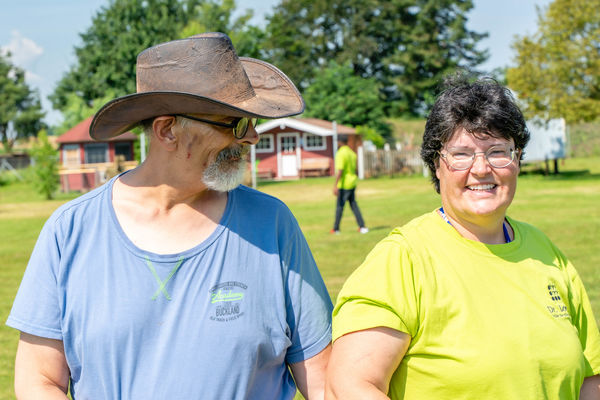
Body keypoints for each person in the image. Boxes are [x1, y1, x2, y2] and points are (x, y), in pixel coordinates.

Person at [7, 33, 333, 399]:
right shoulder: (70, 231)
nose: (252, 137)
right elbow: (39, 380)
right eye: (236, 123)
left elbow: (323, 381)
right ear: (167, 130)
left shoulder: (272, 223)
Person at [326, 76, 600, 399]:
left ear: (517, 160)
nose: (481, 168)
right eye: (461, 154)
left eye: (498, 151)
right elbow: (349, 386)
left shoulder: (547, 254)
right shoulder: (402, 259)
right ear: (436, 165)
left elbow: (590, 380)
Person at [331, 135, 368, 234]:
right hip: (352, 182)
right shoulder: (352, 153)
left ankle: (336, 229)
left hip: (344, 185)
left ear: (339, 142)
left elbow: (340, 170)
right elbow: (354, 168)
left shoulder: (341, 153)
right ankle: (362, 227)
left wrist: (335, 185)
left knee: (340, 207)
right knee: (354, 205)